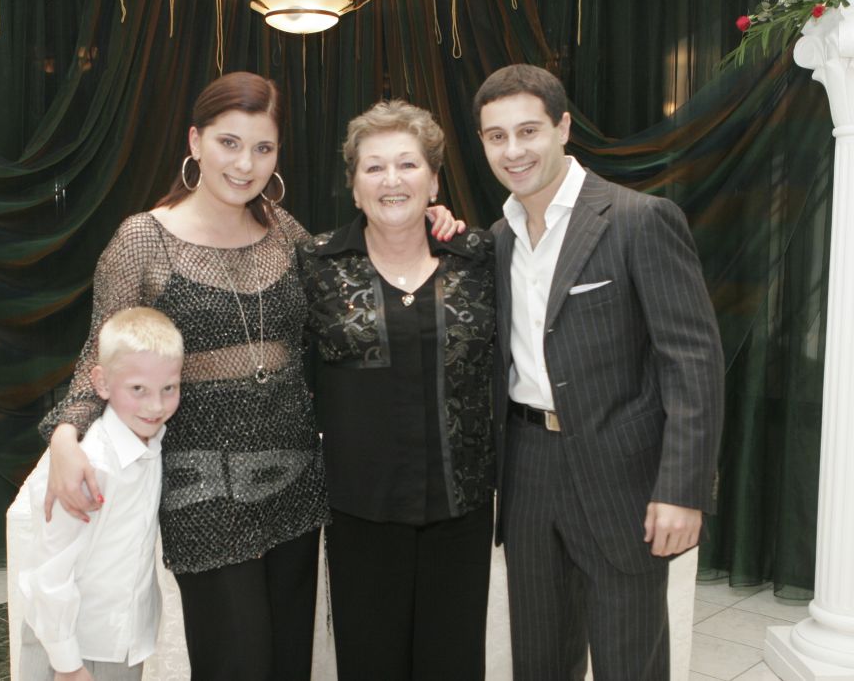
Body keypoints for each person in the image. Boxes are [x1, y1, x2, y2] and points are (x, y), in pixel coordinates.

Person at [39, 71, 462, 681]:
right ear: (195, 142)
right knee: (236, 663)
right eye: (229, 143)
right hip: (202, 488)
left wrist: (424, 220)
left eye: (263, 148)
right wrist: (64, 435)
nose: (245, 164)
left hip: (295, 480)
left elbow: (356, 289)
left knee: (289, 662)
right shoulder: (144, 239)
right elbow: (98, 355)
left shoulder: (285, 232)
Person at [476, 64, 724, 680]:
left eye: (528, 131)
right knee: (539, 661)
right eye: (496, 136)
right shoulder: (497, 239)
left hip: (622, 476)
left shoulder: (639, 219)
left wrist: (682, 488)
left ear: (563, 128)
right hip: (528, 469)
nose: (513, 150)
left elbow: (692, 361)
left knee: (629, 662)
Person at [297, 100, 496, 681]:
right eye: (374, 167)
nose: (391, 180)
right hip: (360, 512)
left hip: (461, 510)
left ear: (433, 181)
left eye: (408, 165)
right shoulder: (315, 263)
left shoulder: (480, 258)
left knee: (454, 666)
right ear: (354, 186)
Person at [19, 307, 184, 681]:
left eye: (169, 389)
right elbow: (50, 570)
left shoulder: (155, 443)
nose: (155, 406)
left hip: (121, 643)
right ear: (102, 383)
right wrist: (67, 664)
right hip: (71, 648)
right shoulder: (88, 466)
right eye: (138, 389)